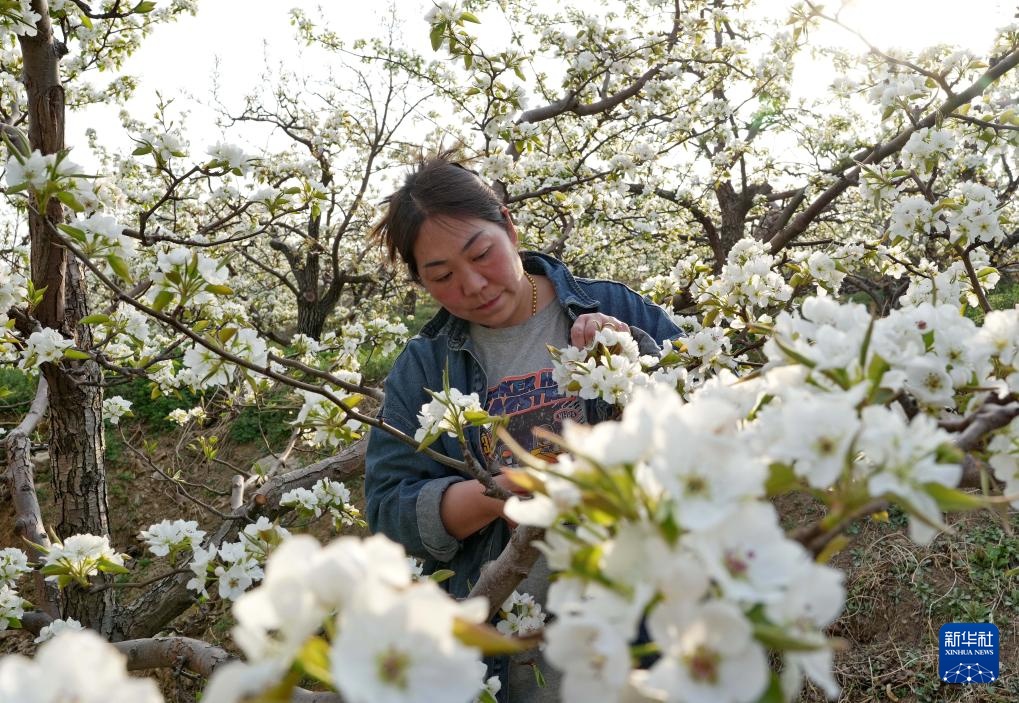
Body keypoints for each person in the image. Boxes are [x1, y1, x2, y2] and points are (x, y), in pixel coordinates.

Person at [364, 156, 680, 701]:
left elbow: (710, 425)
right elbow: (390, 509)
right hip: (510, 655)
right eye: (441, 277)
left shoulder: (614, 308)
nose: (473, 284)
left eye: (482, 254)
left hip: (642, 626)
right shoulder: (424, 367)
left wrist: (634, 355)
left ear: (509, 226)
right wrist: (499, 493)